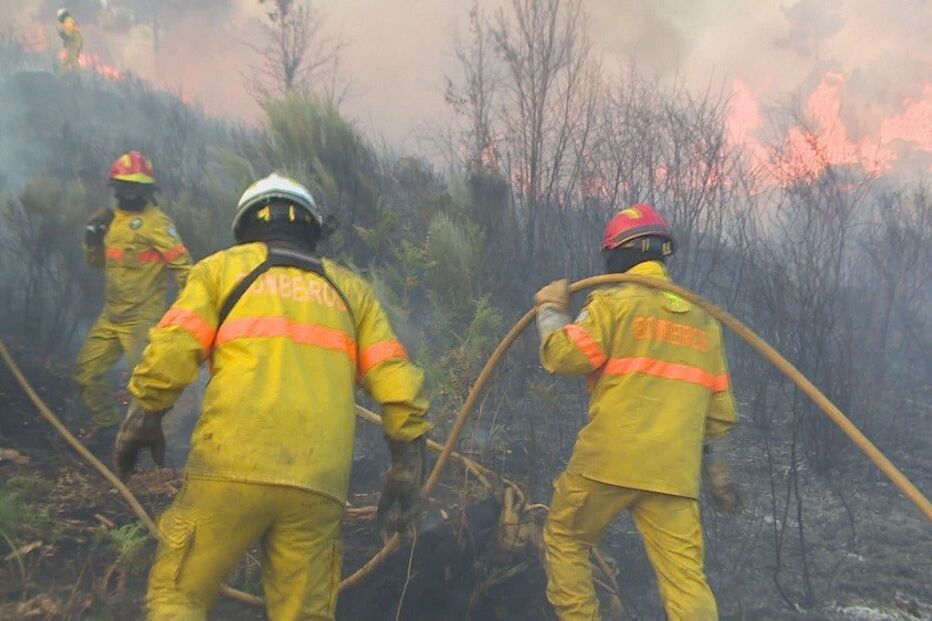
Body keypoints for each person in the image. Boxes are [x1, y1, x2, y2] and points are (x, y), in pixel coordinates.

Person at [114, 173, 431, 620]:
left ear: (245, 227)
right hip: (319, 484)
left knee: (177, 596)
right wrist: (405, 465)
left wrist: (143, 418)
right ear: (312, 229)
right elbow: (397, 381)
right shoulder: (352, 291)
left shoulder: (221, 270)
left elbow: (173, 349)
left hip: (231, 466)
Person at [533, 203, 741, 621]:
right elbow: (718, 410)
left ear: (617, 254)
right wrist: (715, 464)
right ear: (663, 254)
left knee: (566, 538)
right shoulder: (704, 320)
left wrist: (552, 311)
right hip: (674, 472)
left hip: (609, 462)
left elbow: (563, 356)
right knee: (686, 581)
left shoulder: (613, 304)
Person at [75, 151, 192, 443]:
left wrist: (186, 312)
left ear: (148, 192)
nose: (129, 194)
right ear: (114, 188)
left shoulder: (156, 223)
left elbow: (184, 269)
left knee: (148, 386)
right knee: (87, 374)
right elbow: (96, 263)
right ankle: (107, 427)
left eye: (136, 188)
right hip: (111, 316)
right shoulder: (111, 221)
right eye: (123, 187)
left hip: (141, 320)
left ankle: (156, 440)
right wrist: (92, 236)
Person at [56, 8, 83, 73]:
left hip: (74, 41)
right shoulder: (70, 21)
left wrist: (62, 33)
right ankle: (77, 74)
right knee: (72, 59)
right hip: (77, 41)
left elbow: (69, 35)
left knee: (69, 59)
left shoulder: (67, 22)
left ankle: (60, 74)